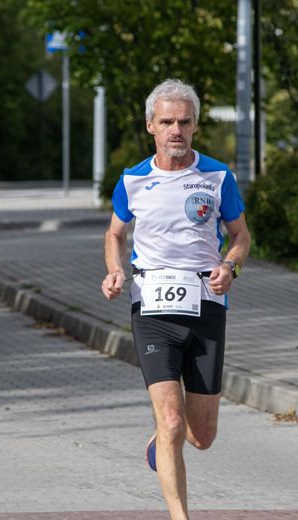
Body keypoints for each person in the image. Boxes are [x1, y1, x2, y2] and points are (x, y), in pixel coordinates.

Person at [100, 79, 250, 520]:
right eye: (167, 122)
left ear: (195, 125)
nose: (176, 130)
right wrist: (114, 269)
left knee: (200, 436)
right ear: (151, 125)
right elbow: (115, 233)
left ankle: (165, 436)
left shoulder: (217, 177)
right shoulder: (133, 180)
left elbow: (240, 235)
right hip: (151, 310)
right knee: (170, 421)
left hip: (206, 307)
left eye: (184, 122)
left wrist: (231, 267)